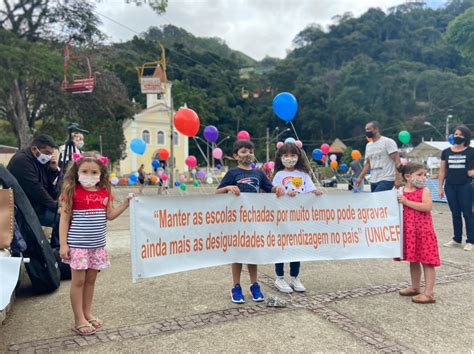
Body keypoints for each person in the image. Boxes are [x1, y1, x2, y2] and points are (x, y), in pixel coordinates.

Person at [59, 152, 133, 336]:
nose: (89, 175)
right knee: (78, 281)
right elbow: (64, 219)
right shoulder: (71, 191)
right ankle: (78, 319)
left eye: (94, 172)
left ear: (101, 174)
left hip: (97, 246)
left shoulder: (104, 192)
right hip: (78, 246)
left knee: (90, 281)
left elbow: (109, 215)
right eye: (85, 171)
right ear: (77, 171)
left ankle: (87, 313)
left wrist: (126, 204)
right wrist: (63, 245)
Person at [216, 140, 284, 303]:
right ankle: (236, 287)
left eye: (250, 151)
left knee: (253, 254)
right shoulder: (232, 173)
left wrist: (278, 189)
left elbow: (270, 188)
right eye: (243, 151)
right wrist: (227, 188)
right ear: (235, 156)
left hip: (254, 221)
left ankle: (255, 285)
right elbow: (217, 192)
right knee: (238, 254)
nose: (247, 154)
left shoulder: (259, 174)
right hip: (237, 222)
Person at [271, 142, 322, 293]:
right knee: (281, 247)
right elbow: (273, 192)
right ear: (280, 157)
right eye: (285, 155)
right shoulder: (279, 175)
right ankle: (279, 278)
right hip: (282, 218)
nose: (289, 158)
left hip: (299, 219)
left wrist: (315, 193)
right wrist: (285, 193)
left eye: (292, 155)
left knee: (296, 248)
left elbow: (310, 191)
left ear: (298, 157)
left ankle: (294, 277)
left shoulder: (304, 175)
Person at [396, 162, 440, 304]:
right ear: (408, 177)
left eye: (425, 175)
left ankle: (428, 293)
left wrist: (406, 202)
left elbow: (427, 206)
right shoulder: (401, 191)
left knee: (427, 262)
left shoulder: (424, 191)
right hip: (410, 233)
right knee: (413, 260)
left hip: (424, 233)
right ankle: (415, 287)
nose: (423, 178)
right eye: (419, 174)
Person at [7, 135, 61, 244]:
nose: (49, 156)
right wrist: (56, 206)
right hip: (27, 210)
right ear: (34, 149)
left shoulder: (39, 160)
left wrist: (53, 171)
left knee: (64, 216)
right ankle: (57, 251)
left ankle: (56, 249)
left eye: (51, 153)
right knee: (63, 219)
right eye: (46, 152)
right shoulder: (21, 161)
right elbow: (36, 189)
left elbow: (47, 187)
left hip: (38, 206)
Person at [439, 125, 474, 251]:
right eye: (455, 134)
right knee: (455, 213)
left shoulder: (471, 151)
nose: (457, 136)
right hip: (450, 186)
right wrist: (440, 187)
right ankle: (456, 239)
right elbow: (442, 171)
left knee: (468, 213)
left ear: (466, 137)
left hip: (466, 186)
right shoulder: (446, 152)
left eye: (460, 134)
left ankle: (471, 241)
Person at [355, 121, 402, 192]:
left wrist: (398, 178)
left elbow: (397, 160)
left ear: (376, 129)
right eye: (366, 130)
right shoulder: (368, 145)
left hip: (387, 179)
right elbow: (368, 164)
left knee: (377, 200)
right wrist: (360, 178)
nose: (367, 131)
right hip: (374, 179)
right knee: (377, 202)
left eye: (369, 129)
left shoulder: (387, 142)